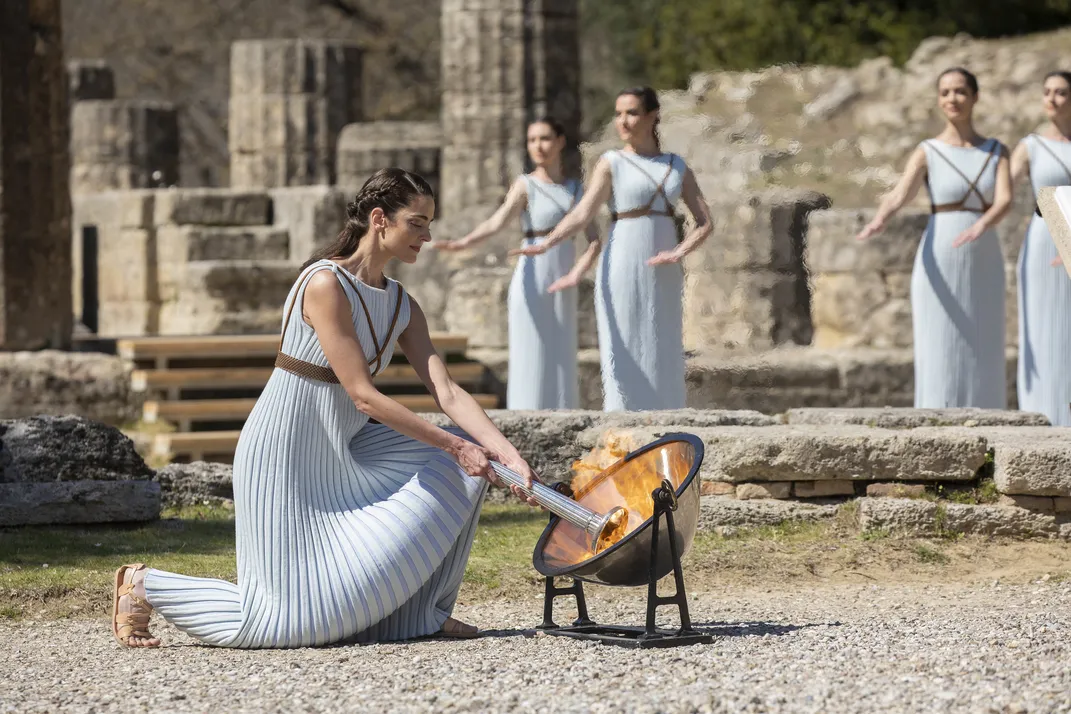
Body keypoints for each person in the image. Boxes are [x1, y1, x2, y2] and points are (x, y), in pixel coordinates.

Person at [111, 168, 542, 649]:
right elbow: (361, 393)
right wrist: (458, 444)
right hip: (286, 451)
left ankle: (425, 614)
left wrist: (507, 454)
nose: (428, 235)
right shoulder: (324, 284)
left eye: (429, 224)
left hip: (347, 449)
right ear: (379, 219)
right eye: (417, 223)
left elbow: (449, 392)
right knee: (282, 623)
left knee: (462, 470)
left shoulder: (402, 303)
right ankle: (146, 584)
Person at [514, 87, 713, 411]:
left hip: (663, 266)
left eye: (632, 113)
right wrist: (548, 242)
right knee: (622, 348)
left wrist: (679, 252)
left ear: (651, 116)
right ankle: (621, 429)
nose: (623, 121)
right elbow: (582, 213)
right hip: (621, 260)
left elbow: (704, 222)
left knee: (663, 345)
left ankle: (667, 424)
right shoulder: (611, 162)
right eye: (618, 113)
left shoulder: (676, 165)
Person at [856, 67, 1012, 409]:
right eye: (945, 92)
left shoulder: (996, 151)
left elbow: (1005, 200)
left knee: (983, 338)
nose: (952, 99)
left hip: (983, 253)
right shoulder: (928, 151)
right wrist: (879, 219)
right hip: (940, 250)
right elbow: (901, 193)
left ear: (975, 97)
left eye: (959, 91)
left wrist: (982, 224)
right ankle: (937, 414)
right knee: (939, 339)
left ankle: (988, 413)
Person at [431, 117, 599, 410]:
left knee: (562, 350)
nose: (538, 146)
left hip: (562, 276)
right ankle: (527, 411)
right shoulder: (526, 185)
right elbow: (498, 221)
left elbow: (595, 240)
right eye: (532, 140)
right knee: (530, 347)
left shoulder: (576, 190)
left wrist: (576, 275)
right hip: (531, 274)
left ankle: (564, 414)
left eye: (545, 138)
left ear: (560, 142)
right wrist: (463, 242)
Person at [1011, 70, 1071, 426]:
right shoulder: (1030, 145)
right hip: (1042, 236)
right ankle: (1044, 415)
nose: (1052, 98)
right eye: (1047, 92)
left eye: (1061, 92)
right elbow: (1000, 192)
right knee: (1044, 326)